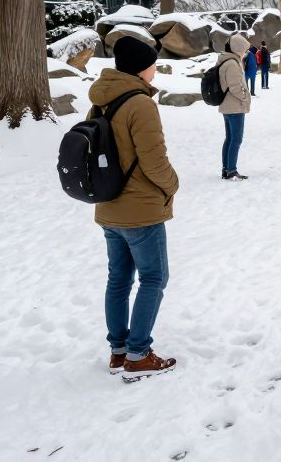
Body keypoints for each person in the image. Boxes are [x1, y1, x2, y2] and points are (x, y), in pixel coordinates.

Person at [89, 35, 179, 381]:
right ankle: (139, 354)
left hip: (108, 205)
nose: (155, 68)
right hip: (139, 209)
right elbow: (154, 161)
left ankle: (118, 350)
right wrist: (172, 185)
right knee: (154, 277)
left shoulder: (101, 100)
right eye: (153, 63)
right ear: (143, 68)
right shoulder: (140, 104)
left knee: (119, 279)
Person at [218, 33, 252, 181]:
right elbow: (235, 87)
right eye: (244, 49)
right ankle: (231, 170)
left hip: (228, 105)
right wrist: (245, 98)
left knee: (230, 139)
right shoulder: (232, 63)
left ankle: (227, 169)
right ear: (238, 49)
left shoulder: (226, 61)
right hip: (234, 106)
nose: (245, 52)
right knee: (236, 140)